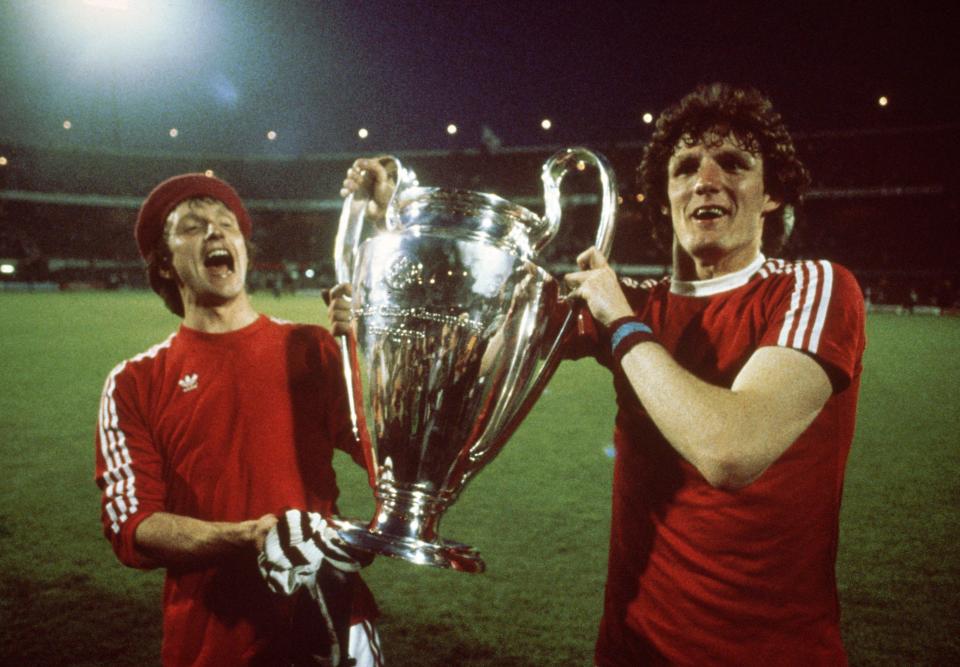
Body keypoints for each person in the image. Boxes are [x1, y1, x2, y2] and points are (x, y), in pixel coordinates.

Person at [334, 83, 865, 666]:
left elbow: (731, 450)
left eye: (734, 164)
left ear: (772, 194)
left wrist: (620, 322)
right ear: (665, 196)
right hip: (631, 649)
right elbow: (468, 356)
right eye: (685, 167)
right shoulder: (638, 304)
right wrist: (399, 236)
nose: (706, 180)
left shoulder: (813, 286)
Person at [95, 173, 383, 666]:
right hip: (212, 645)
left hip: (333, 623)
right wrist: (246, 537)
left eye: (227, 224)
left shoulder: (311, 349)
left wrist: (376, 343)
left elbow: (389, 452)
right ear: (163, 264)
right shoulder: (134, 382)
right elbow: (133, 525)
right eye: (192, 226)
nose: (215, 233)